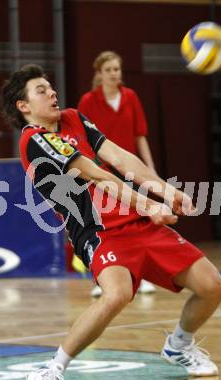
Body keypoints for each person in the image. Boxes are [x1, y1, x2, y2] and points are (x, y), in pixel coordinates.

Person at [0, 64, 221, 380]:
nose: (51, 93)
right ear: (23, 107)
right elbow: (95, 174)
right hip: (96, 229)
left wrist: (165, 189)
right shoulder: (34, 140)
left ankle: (179, 345)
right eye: (41, 90)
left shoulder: (75, 117)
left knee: (212, 286)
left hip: (137, 222)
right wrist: (148, 203)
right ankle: (54, 368)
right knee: (116, 294)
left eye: (50, 87)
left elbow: (120, 158)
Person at [78, 50, 156, 296]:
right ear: (99, 74)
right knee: (102, 226)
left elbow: (140, 135)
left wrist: (149, 168)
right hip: (101, 173)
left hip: (129, 170)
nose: (114, 74)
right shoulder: (88, 102)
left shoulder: (131, 97)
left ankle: (140, 276)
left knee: (137, 224)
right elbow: (82, 142)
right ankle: (100, 279)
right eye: (109, 70)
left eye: (117, 69)